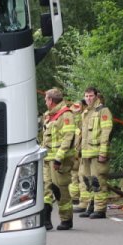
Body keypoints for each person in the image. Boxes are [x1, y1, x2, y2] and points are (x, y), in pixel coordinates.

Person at [75, 87, 113, 219]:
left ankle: (100, 209)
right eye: (86, 96)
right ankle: (91, 206)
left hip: (97, 153)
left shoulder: (103, 111)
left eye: (90, 96)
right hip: (86, 153)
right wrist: (78, 151)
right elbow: (81, 134)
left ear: (96, 96)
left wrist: (103, 152)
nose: (88, 98)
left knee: (98, 181)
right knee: (88, 181)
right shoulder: (85, 112)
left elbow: (106, 132)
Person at [44, 88, 78, 230]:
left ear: (51, 100)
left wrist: (58, 158)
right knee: (45, 189)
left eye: (46, 99)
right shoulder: (49, 115)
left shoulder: (66, 115)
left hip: (60, 161)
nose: (45, 102)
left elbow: (68, 138)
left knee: (60, 190)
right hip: (47, 159)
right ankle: (45, 219)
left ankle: (66, 219)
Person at [67, 99, 85, 211]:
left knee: (78, 176)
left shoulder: (76, 123)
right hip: (76, 153)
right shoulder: (79, 124)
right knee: (76, 176)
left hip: (77, 153)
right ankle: (76, 198)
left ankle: (77, 199)